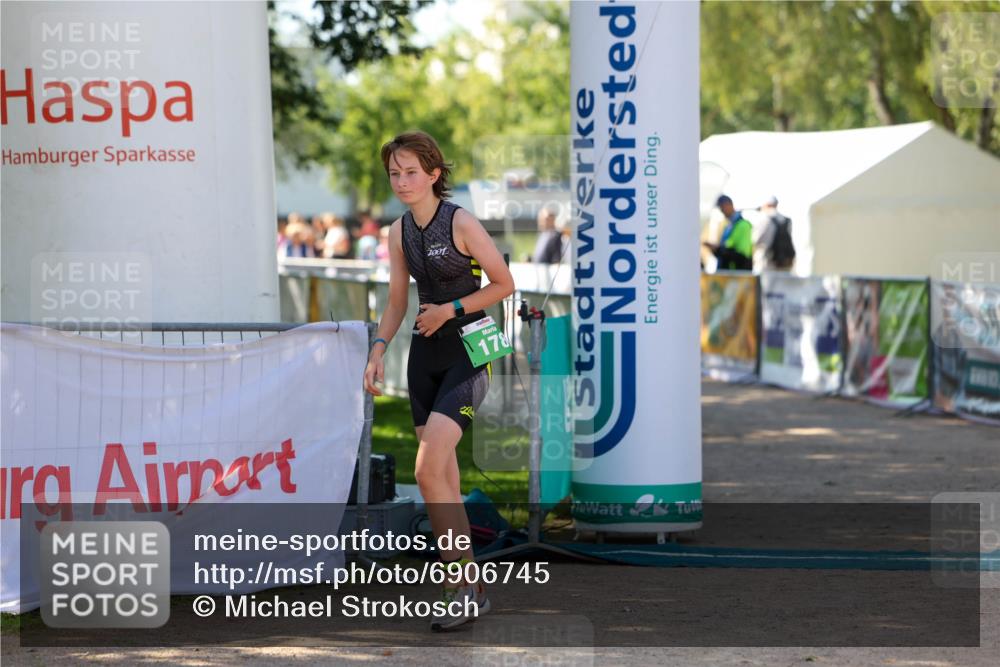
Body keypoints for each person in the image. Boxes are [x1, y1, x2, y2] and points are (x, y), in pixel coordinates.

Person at [363, 130, 515, 631]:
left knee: (428, 471)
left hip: (470, 352)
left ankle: (460, 587)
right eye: (394, 173)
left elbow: (503, 284)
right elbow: (397, 303)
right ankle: (470, 585)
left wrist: (450, 308)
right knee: (443, 476)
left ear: (433, 174)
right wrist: (378, 350)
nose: (402, 181)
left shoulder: (461, 221)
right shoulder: (397, 232)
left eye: (411, 172)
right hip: (423, 357)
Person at [703, 194, 753, 271]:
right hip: (730, 270)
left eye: (722, 207)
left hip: (736, 272)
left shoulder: (743, 225)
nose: (722, 211)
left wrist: (718, 249)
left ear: (729, 205)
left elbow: (742, 254)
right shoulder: (729, 224)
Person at [754, 195, 796, 272]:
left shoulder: (764, 218)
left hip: (767, 263)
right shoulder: (786, 220)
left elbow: (755, 240)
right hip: (784, 264)